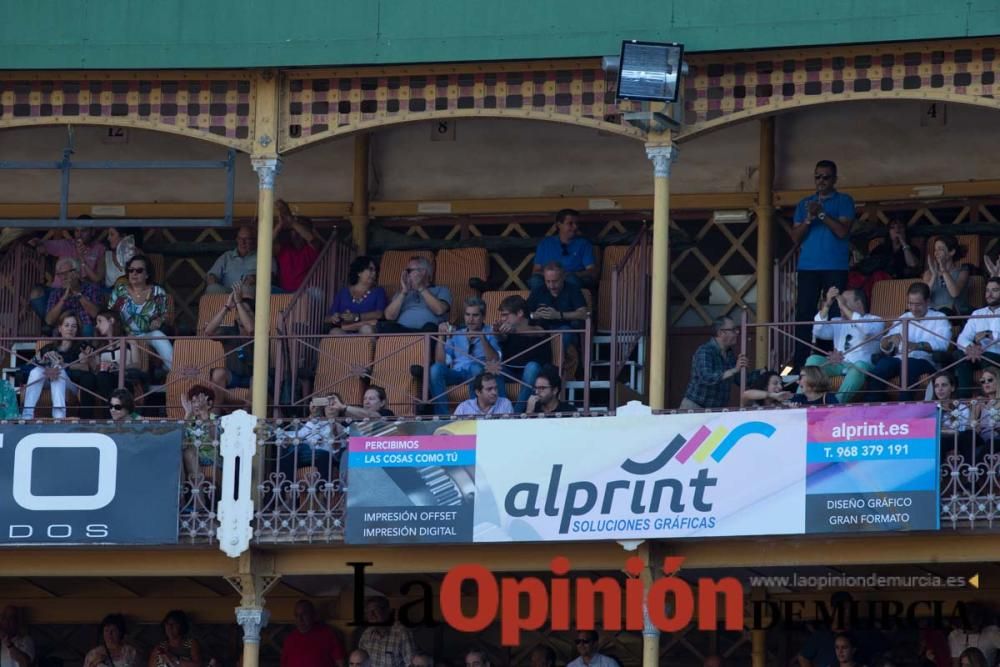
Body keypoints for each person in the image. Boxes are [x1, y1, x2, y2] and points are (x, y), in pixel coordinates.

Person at [791, 160, 855, 367]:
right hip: (807, 267)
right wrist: (809, 218)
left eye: (826, 177)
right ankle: (800, 363)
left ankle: (832, 360)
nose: (821, 181)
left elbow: (842, 231)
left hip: (835, 266)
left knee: (835, 313)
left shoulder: (844, 200)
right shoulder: (803, 203)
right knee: (804, 313)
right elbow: (795, 237)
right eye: (817, 176)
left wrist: (821, 213)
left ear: (834, 179)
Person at [872, 282, 951, 401]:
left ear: (927, 302)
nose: (913, 308)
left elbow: (943, 345)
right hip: (900, 359)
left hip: (926, 361)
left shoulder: (940, 318)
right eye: (910, 304)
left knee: (909, 364)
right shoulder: (904, 317)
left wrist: (917, 346)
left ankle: (905, 406)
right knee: (882, 366)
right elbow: (885, 344)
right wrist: (888, 340)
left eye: (918, 304)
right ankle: (872, 407)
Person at [806, 287, 884, 403]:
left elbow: (866, 330)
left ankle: (837, 404)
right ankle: (801, 400)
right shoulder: (837, 320)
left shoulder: (876, 320)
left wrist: (843, 307)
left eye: (845, 301)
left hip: (862, 367)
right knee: (813, 360)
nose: (840, 305)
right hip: (838, 364)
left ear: (858, 303)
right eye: (840, 302)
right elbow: (818, 332)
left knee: (859, 366)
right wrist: (827, 305)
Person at [429, 297, 502, 415]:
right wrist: (441, 336)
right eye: (467, 315)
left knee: (475, 367)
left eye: (475, 315)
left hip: (479, 374)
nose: (470, 319)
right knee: (435, 369)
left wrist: (482, 337)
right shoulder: (457, 334)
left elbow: (494, 361)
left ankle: (476, 414)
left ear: (483, 317)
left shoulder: (490, 332)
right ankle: (443, 417)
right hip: (457, 373)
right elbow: (440, 362)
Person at [108, 254, 173, 370]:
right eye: (131, 270)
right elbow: (109, 315)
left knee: (160, 337)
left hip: (148, 333)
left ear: (147, 274)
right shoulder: (119, 291)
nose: (134, 273)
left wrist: (159, 320)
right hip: (124, 335)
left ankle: (175, 372)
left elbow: (166, 315)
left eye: (139, 270)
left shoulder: (157, 291)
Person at [22, 313, 89, 419]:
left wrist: (64, 365)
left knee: (58, 370)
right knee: (37, 371)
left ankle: (59, 417)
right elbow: (28, 365)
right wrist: (42, 361)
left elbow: (86, 367)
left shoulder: (80, 346)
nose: (70, 329)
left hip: (70, 383)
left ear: (77, 330)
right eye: (66, 325)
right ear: (60, 328)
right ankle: (27, 416)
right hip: (46, 380)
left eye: (73, 326)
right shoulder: (49, 347)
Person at [526, 262, 588, 377]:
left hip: (566, 331)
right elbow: (524, 314)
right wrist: (534, 315)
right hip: (542, 331)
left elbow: (584, 314)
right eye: (548, 281)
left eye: (555, 281)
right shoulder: (538, 290)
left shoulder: (572, 289)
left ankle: (553, 368)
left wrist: (558, 315)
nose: (551, 286)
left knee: (564, 330)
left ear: (563, 277)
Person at [495, 295, 551, 413]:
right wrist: (497, 332)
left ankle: (516, 414)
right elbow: (502, 339)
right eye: (502, 315)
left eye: (506, 315)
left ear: (520, 313)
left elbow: (539, 332)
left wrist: (514, 330)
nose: (503, 318)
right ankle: (503, 410)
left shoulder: (536, 320)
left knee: (531, 367)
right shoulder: (507, 328)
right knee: (492, 368)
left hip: (536, 373)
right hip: (511, 371)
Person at [203, 275, 255, 397]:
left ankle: (247, 415)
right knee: (218, 373)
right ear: (236, 316)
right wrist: (227, 307)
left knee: (256, 380)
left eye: (248, 312)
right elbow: (208, 332)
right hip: (233, 376)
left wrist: (238, 302)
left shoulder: (260, 332)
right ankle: (215, 414)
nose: (242, 315)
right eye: (240, 312)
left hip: (254, 377)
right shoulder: (230, 331)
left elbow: (250, 329)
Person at [681, 316, 747, 410]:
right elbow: (707, 378)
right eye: (733, 330)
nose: (737, 332)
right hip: (694, 408)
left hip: (715, 411)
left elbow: (739, 379)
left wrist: (764, 373)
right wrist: (734, 370)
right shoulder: (705, 351)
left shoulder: (729, 354)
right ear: (720, 333)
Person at [278, 395, 345, 482]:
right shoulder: (315, 422)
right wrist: (313, 414)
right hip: (306, 452)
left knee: (323, 455)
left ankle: (323, 491)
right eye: (328, 403)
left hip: (327, 455)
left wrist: (332, 423)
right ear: (323, 407)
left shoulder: (344, 423)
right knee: (291, 449)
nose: (330, 407)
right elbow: (300, 434)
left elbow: (337, 445)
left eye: (333, 404)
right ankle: (286, 489)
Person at [380, 256, 451, 333]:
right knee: (388, 327)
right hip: (403, 332)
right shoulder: (401, 293)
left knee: (431, 327)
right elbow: (389, 316)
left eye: (409, 270)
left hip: (427, 331)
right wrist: (404, 292)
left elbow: (439, 310)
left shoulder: (441, 290)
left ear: (423, 272)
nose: (406, 274)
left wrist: (421, 287)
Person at [529, 209, 596, 290]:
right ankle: (543, 302)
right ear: (559, 224)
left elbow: (591, 271)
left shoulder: (584, 244)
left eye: (576, 223)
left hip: (574, 278)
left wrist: (572, 274)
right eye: (570, 223)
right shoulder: (545, 243)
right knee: (535, 280)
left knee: (571, 280)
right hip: (549, 280)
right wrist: (554, 276)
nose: (575, 227)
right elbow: (536, 271)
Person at [956, 277, 1000, 397]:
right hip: (979, 355)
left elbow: (990, 335)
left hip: (997, 356)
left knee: (985, 357)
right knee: (961, 355)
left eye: (995, 290)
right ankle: (963, 403)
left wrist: (990, 335)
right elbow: (962, 338)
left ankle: (993, 403)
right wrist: (971, 348)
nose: (989, 294)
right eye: (987, 290)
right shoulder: (977, 313)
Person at [28, 221, 107, 287]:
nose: (79, 235)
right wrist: (37, 243)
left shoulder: (99, 248)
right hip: (59, 290)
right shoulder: (67, 244)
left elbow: (98, 278)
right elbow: (44, 246)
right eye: (77, 231)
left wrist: (81, 258)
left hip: (84, 291)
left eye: (84, 231)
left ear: (92, 232)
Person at [88, 309, 141, 405]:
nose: (97, 326)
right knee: (102, 377)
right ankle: (112, 410)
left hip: (126, 379)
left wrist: (119, 368)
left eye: (100, 321)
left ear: (111, 321)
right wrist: (91, 360)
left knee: (105, 378)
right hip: (106, 382)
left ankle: (113, 410)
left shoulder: (128, 340)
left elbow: (137, 365)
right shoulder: (99, 346)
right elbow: (96, 371)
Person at [326, 256, 386, 335]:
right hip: (346, 330)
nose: (374, 273)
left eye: (375, 271)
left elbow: (380, 314)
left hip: (367, 329)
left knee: (366, 329)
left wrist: (357, 317)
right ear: (359, 272)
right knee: (334, 332)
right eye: (370, 269)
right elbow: (327, 318)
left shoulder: (378, 291)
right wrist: (334, 318)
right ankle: (350, 347)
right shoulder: (343, 292)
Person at [45, 256, 103, 337]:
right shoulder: (56, 293)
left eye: (67, 273)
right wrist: (64, 298)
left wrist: (76, 292)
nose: (64, 277)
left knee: (88, 330)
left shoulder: (91, 288)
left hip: (86, 328)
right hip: (64, 332)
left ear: (77, 273)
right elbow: (49, 321)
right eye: (61, 274)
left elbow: (96, 314)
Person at [280, 600, 345, 667]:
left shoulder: (327, 635)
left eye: (304, 614)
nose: (300, 619)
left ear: (313, 615)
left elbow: (340, 662)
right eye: (297, 615)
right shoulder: (290, 639)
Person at [274, 200, 319, 293]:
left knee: (317, 292)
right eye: (293, 229)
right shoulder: (284, 249)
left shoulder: (311, 248)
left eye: (300, 228)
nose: (297, 232)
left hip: (308, 292)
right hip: (286, 293)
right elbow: (266, 244)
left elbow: (311, 239)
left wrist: (291, 221)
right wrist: (279, 225)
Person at [357, 597, 417, 667]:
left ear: (387, 611)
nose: (371, 615)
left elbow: (411, 664)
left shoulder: (402, 632)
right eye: (368, 612)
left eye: (375, 610)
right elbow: (359, 660)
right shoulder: (366, 633)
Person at [206, 225, 267, 294]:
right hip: (227, 292)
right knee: (211, 288)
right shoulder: (227, 256)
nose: (243, 242)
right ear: (237, 239)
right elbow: (212, 275)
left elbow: (271, 276)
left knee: (249, 289)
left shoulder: (262, 256)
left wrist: (255, 278)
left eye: (247, 239)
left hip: (248, 292)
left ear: (255, 240)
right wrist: (212, 278)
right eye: (240, 238)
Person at [923, 236, 971, 316]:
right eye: (935, 249)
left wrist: (944, 271)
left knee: (944, 312)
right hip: (932, 314)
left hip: (954, 314)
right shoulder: (929, 273)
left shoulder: (963, 271)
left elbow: (954, 293)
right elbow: (923, 296)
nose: (936, 253)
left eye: (940, 249)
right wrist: (934, 275)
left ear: (951, 252)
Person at [181, 384, 218, 483]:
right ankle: (181, 497)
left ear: (209, 404)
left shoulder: (216, 419)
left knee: (188, 453)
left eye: (199, 401)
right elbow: (179, 440)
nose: (196, 405)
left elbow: (216, 438)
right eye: (193, 401)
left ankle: (198, 497)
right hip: (190, 456)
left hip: (211, 457)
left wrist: (205, 415)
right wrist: (187, 415)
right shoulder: (189, 420)